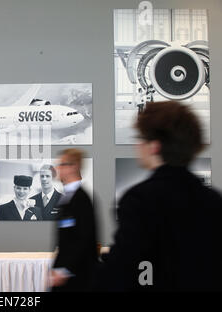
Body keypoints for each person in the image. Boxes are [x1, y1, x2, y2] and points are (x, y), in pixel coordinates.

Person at [93, 101, 222, 291]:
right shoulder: (213, 200)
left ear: (154, 146)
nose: (137, 145)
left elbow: (122, 271)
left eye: (140, 138)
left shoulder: (139, 200)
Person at [49, 148, 98, 291]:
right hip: (66, 275)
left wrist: (64, 270)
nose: (57, 168)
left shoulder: (82, 199)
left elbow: (84, 239)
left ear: (73, 167)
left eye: (62, 164)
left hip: (78, 277)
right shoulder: (67, 197)